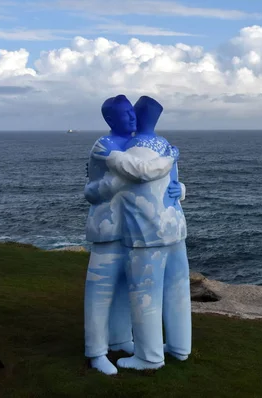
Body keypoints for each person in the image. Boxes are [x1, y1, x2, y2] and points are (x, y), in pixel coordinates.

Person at [83, 95, 178, 375]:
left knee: (125, 290)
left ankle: (121, 339)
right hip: (107, 229)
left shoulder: (133, 144)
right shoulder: (104, 146)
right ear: (111, 119)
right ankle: (96, 352)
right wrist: (168, 157)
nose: (132, 117)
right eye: (125, 114)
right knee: (99, 294)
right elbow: (91, 190)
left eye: (132, 112)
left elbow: (152, 181)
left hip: (130, 231)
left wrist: (178, 188)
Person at [113, 96, 192, 371]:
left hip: (146, 234)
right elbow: (175, 186)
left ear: (135, 116)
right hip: (175, 230)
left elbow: (135, 177)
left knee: (145, 295)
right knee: (178, 291)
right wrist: (182, 190)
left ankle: (149, 357)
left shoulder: (130, 150)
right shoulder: (168, 148)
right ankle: (180, 347)